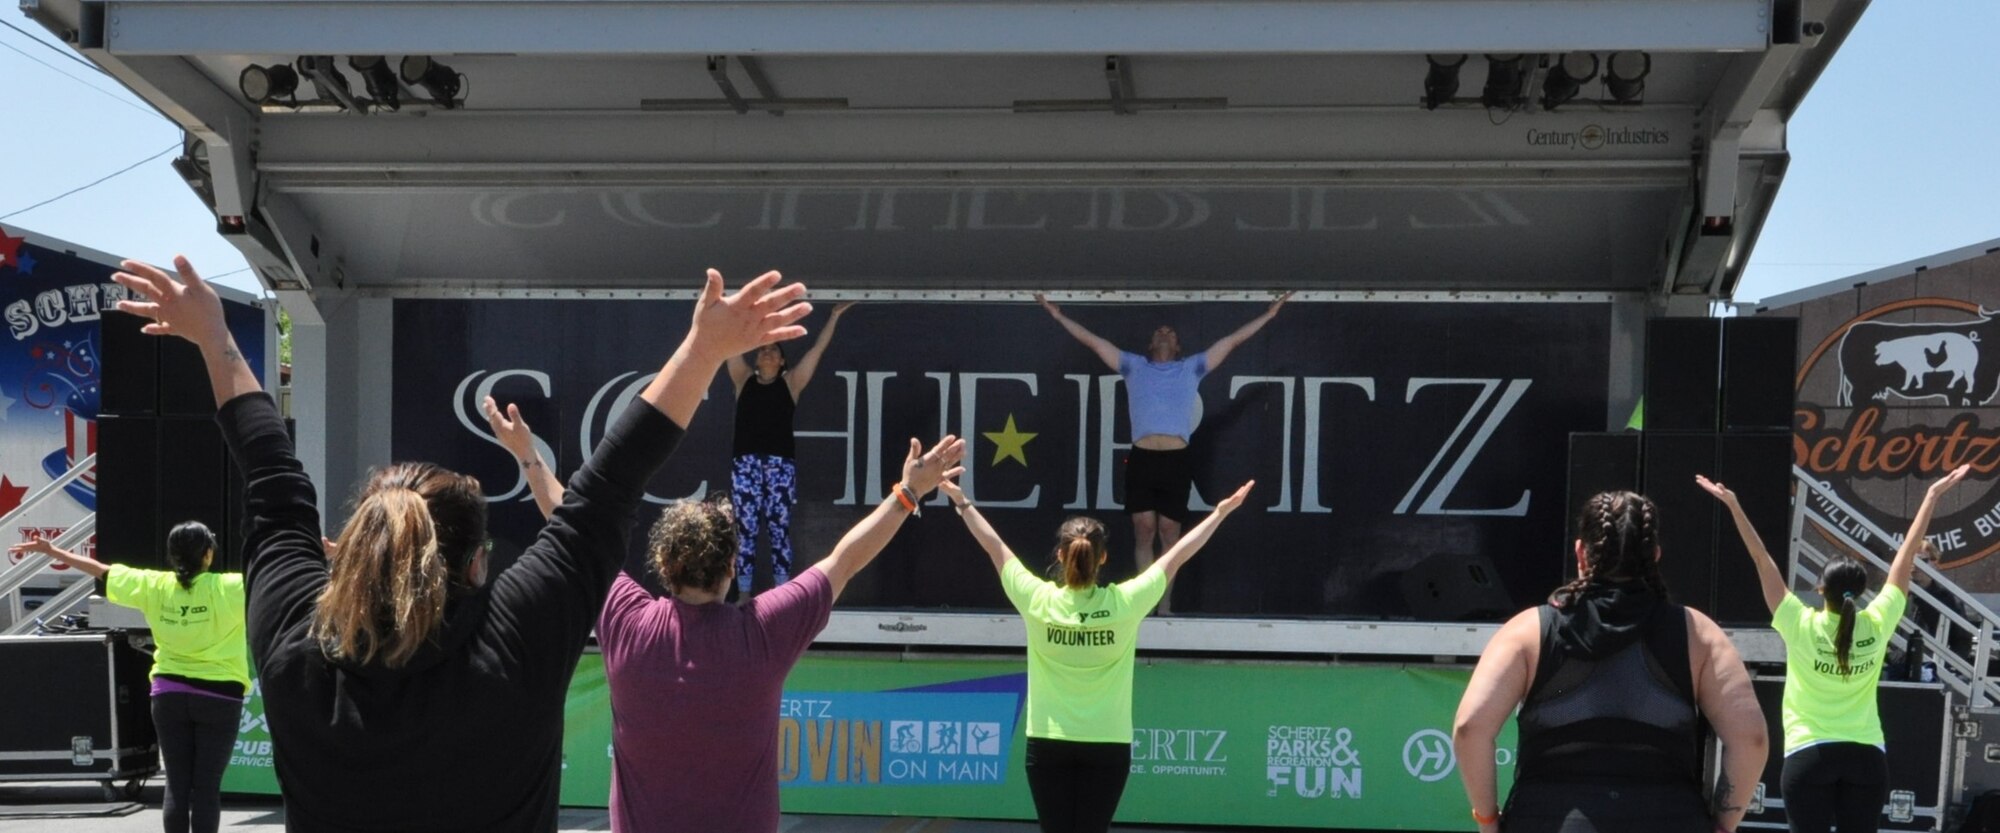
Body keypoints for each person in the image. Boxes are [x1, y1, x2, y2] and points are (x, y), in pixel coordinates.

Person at [110, 256, 810, 832]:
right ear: (478, 561)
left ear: (351, 552)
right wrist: (705, 348)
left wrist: (213, 339)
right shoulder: (512, 642)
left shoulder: (299, 650)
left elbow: (274, 483)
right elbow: (608, 485)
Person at [938, 474, 1254, 833]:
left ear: (1060, 555)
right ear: (1102, 557)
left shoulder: (1037, 600)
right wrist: (1219, 513)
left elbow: (995, 547)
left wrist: (961, 502)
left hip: (1047, 743)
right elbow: (1176, 555)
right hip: (1109, 743)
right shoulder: (1126, 603)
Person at [1453, 490, 1767, 833]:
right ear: (1656, 556)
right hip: (1669, 818)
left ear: (1580, 554)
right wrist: (1724, 823)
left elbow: (1470, 728)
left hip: (1548, 818)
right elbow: (1750, 738)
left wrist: (1487, 820)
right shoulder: (1699, 634)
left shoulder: (1528, 630)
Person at [1701, 465, 1970, 833]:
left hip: (1808, 755)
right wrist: (1931, 497)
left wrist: (1733, 505)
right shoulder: (1877, 622)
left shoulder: (1800, 623)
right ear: (1860, 593)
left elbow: (1762, 559)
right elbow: (1904, 560)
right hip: (1866, 758)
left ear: (1821, 588)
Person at [1036, 292, 1288, 613]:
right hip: (1142, 458)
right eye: (1159, 332)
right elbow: (1095, 343)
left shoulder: (1191, 368)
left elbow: (1230, 342)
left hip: (1176, 460)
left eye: (1171, 332)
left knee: (1170, 534)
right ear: (1152, 344)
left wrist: (1268, 315)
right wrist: (1058, 316)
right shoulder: (1133, 366)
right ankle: (1145, 604)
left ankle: (1165, 604)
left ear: (1178, 347)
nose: (1164, 333)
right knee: (1144, 531)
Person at [12, 523, 246, 833]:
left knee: (176, 785)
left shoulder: (154, 585)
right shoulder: (231, 587)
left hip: (169, 693)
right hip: (220, 696)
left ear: (173, 555)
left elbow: (100, 571)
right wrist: (332, 558)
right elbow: (285, 577)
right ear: (208, 554)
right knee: (206, 786)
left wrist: (52, 551)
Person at [723, 301, 854, 596]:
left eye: (774, 350)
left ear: (782, 361)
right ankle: (744, 594)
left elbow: (815, 352)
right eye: (763, 349)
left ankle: (782, 593)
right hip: (745, 465)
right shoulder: (743, 380)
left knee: (778, 530)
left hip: (780, 466)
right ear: (756, 359)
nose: (767, 352)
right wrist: (737, 315)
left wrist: (833, 318)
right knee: (745, 531)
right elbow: (730, 348)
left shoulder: (791, 383)